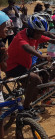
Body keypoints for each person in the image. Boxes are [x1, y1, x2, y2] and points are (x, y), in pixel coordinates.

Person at [5, 14, 55, 113]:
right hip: (13, 67)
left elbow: (52, 39)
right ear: (31, 30)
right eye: (38, 33)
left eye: (41, 33)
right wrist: (41, 56)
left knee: (46, 73)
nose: (40, 36)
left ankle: (41, 99)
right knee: (35, 79)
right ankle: (26, 108)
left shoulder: (35, 35)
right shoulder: (21, 37)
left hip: (26, 64)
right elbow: (27, 47)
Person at [0, 11, 9, 139]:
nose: (6, 28)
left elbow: (4, 67)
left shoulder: (1, 45)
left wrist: (3, 58)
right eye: (3, 26)